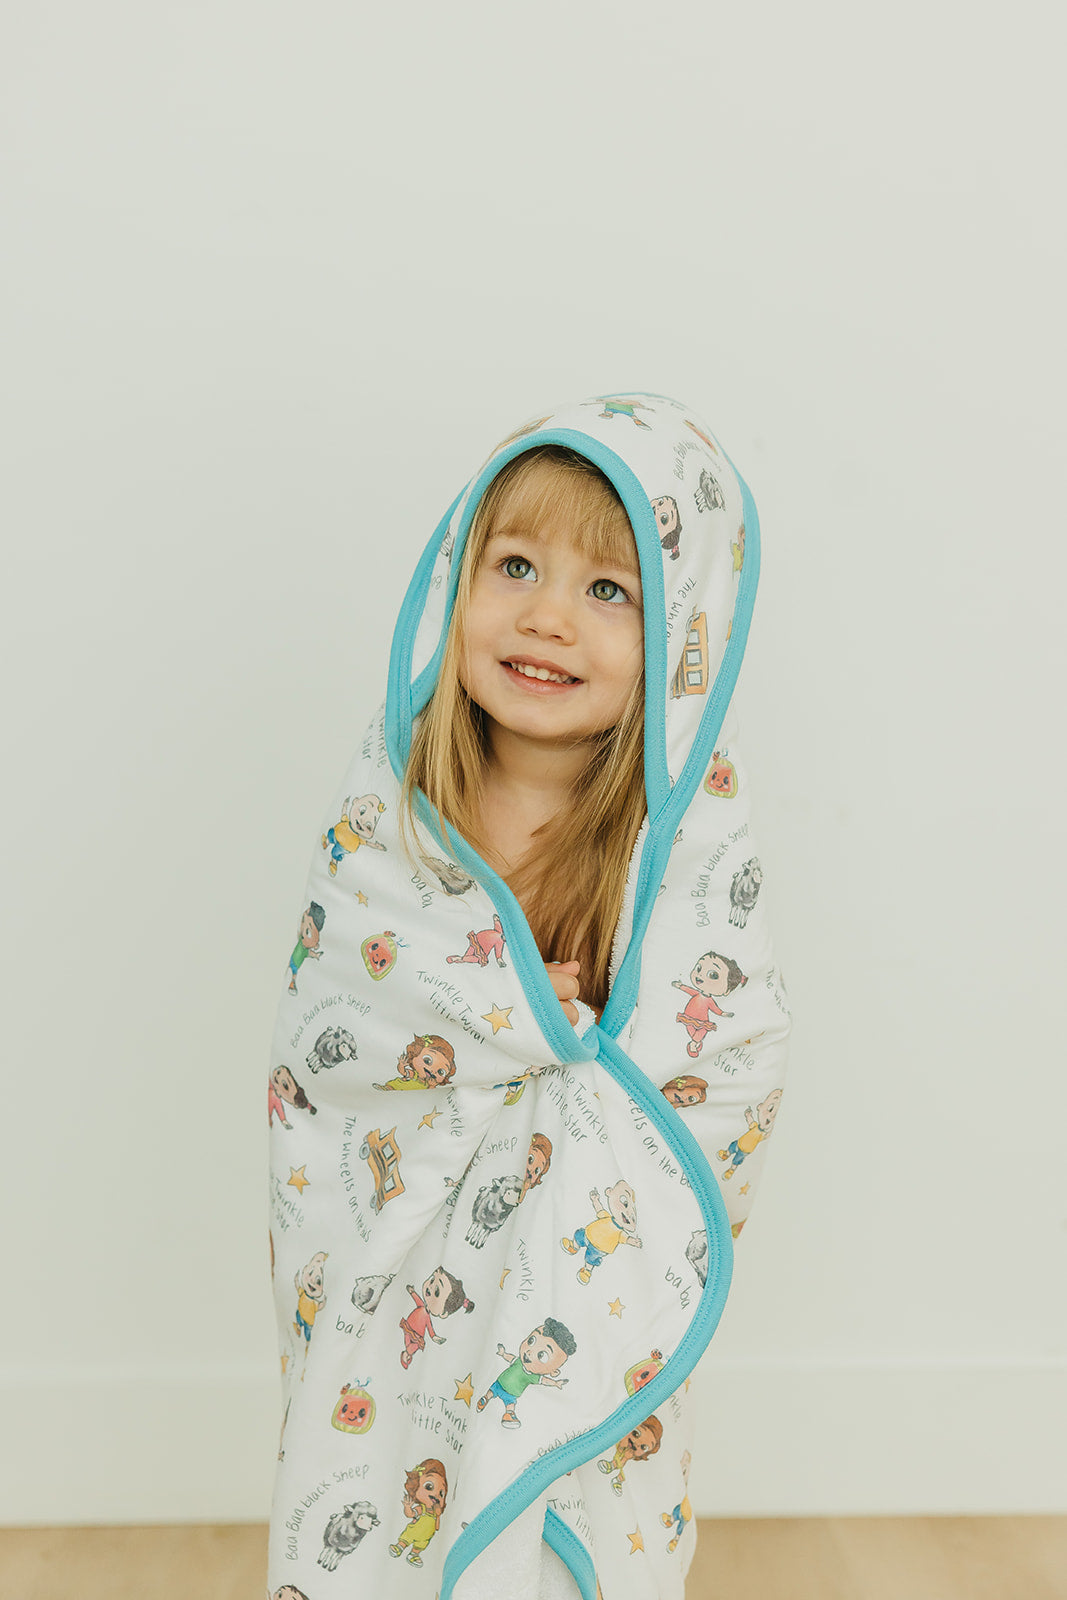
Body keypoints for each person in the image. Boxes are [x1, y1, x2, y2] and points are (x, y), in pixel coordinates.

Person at [266, 394, 792, 1600]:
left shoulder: (680, 836)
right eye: (514, 567)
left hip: (573, 1276)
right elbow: (342, 1014)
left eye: (608, 590)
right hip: (417, 1277)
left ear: (680, 635)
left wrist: (575, 1041)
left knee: (569, 1524)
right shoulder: (395, 810)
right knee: (387, 1499)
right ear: (453, 583)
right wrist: (493, 1014)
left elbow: (730, 1045)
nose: (547, 616)